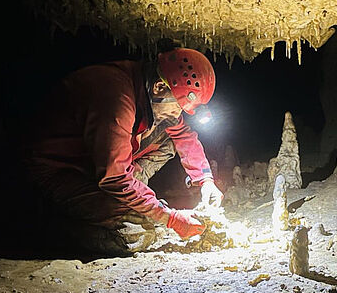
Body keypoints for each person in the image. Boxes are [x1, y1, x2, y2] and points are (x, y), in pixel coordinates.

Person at [24, 46, 224, 256]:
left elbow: (182, 135)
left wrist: (205, 181)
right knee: (134, 234)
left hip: (92, 161)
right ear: (158, 87)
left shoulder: (146, 89)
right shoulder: (116, 98)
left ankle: (131, 196)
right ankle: (45, 226)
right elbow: (115, 177)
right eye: (178, 106)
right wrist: (169, 217)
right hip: (55, 171)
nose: (178, 114)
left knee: (168, 137)